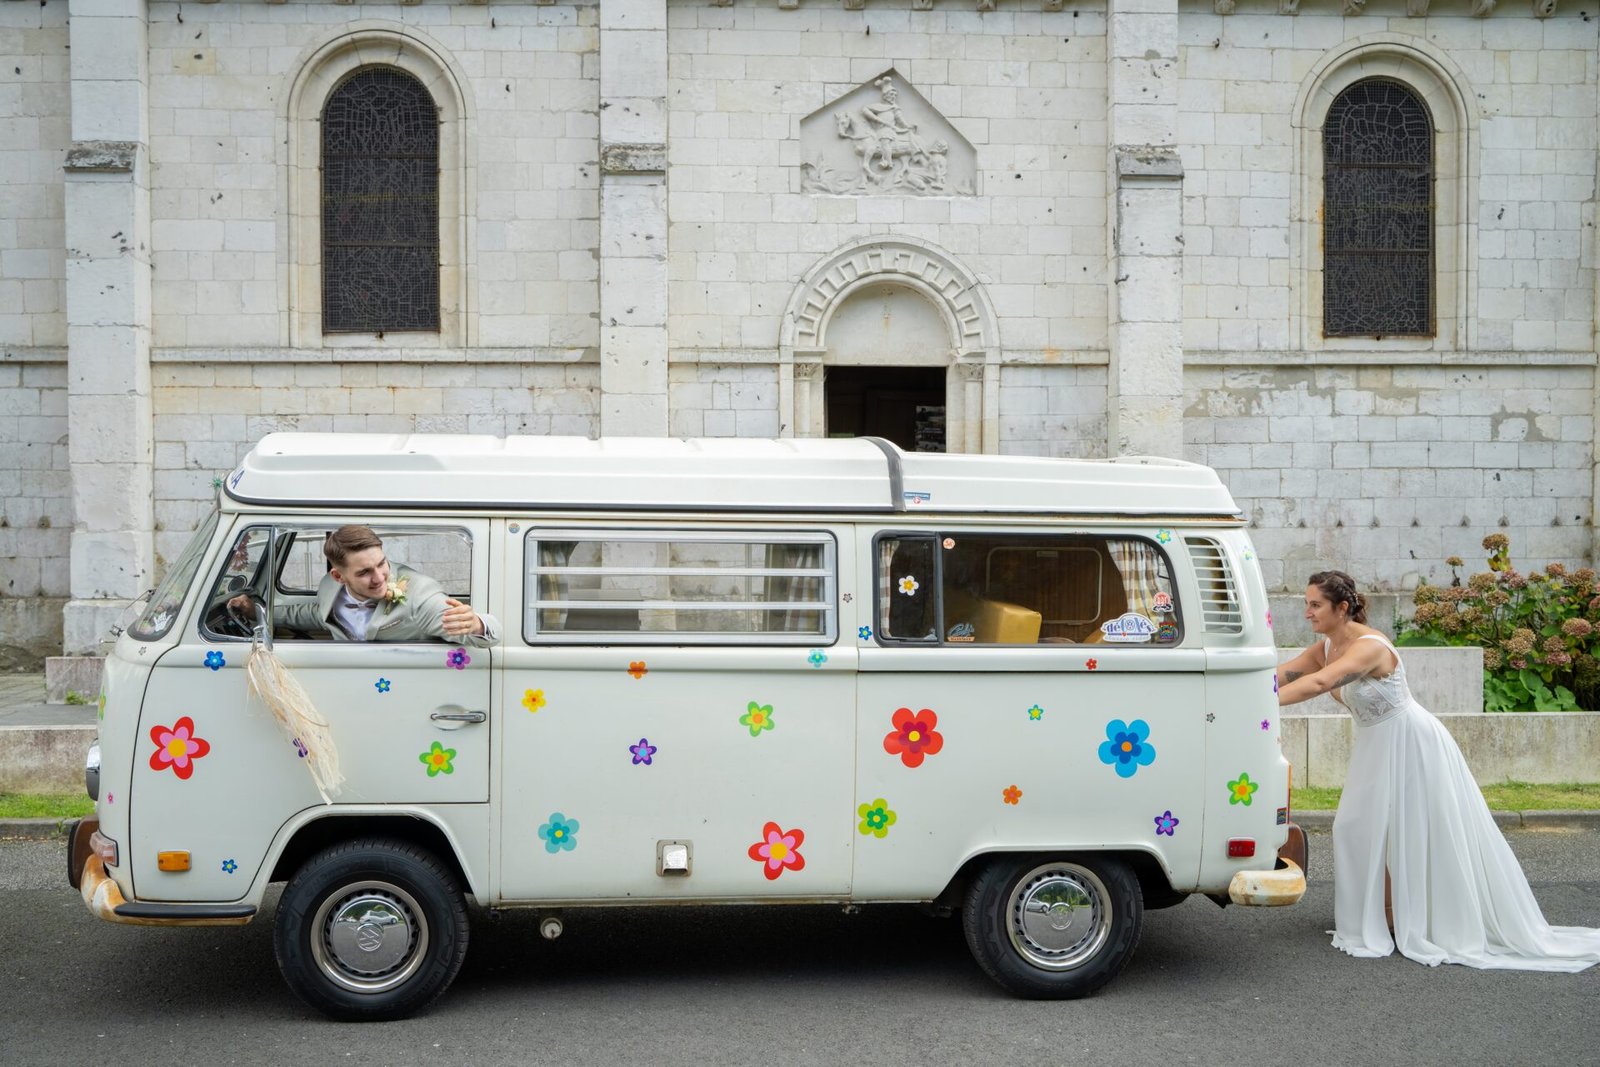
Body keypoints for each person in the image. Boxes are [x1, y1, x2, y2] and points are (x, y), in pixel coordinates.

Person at [1276, 570, 1600, 971]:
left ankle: (1404, 919)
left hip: (1412, 743)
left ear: (1342, 608)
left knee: (1412, 830)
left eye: (1315, 605)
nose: (1307, 612)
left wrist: (1266, 707)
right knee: (1356, 827)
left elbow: (1319, 683)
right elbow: (1285, 673)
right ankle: (1386, 915)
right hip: (1375, 747)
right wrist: (1244, 693)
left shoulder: (1369, 647)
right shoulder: (1328, 645)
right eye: (1306, 604)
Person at [231, 525, 498, 646]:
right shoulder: (329, 587)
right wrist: (255, 612)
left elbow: (492, 635)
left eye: (382, 563)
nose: (380, 577)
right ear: (339, 577)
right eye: (365, 572)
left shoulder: (419, 594)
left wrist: (477, 625)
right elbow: (314, 614)